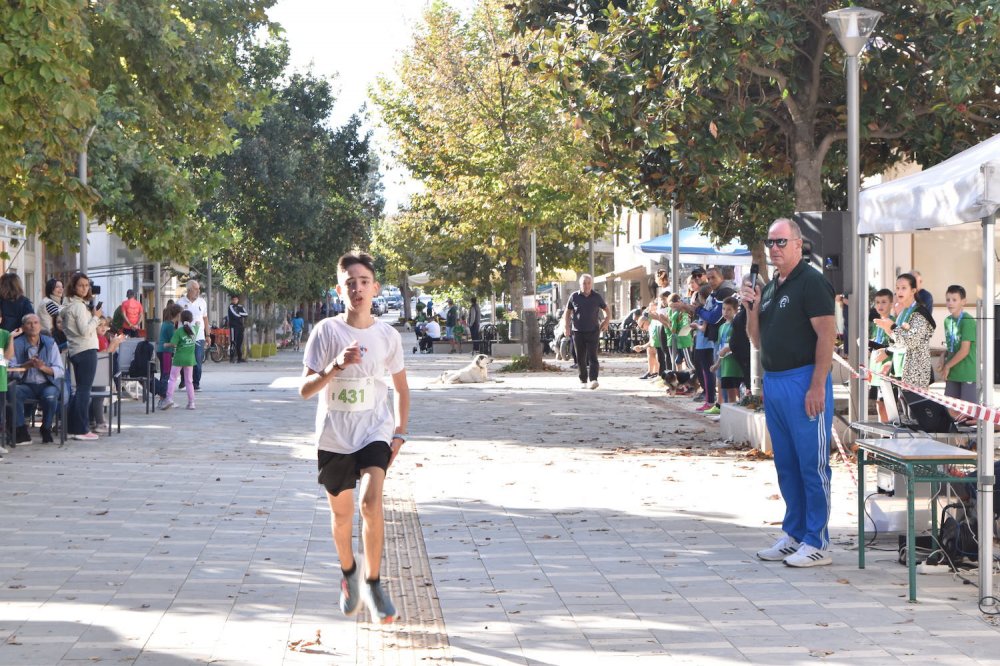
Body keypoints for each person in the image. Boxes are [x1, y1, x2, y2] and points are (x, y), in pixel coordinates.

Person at [298, 251, 410, 625]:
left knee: (371, 503)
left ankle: (375, 584)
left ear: (375, 288)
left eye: (364, 282)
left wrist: (399, 432)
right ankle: (349, 573)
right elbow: (305, 390)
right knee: (341, 515)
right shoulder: (326, 332)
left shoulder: (387, 335)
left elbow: (401, 388)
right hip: (334, 437)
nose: (358, 289)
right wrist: (336, 365)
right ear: (339, 289)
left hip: (374, 431)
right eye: (351, 283)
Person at [743, 218, 836, 568]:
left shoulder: (811, 282)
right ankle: (794, 533)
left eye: (781, 242)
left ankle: (818, 541)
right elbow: (757, 339)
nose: (775, 249)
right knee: (786, 464)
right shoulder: (771, 288)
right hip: (776, 381)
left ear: (799, 244)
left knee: (812, 464)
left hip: (803, 380)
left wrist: (817, 384)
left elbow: (827, 337)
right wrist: (751, 308)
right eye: (770, 242)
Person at [873, 273, 935, 392]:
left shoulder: (919, 313)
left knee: (915, 410)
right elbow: (898, 340)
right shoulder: (902, 313)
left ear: (913, 290)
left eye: (903, 288)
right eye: (897, 288)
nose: (899, 291)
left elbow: (911, 341)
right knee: (900, 410)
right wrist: (888, 332)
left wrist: (892, 326)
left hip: (916, 374)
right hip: (900, 371)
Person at [62, 272, 102, 441]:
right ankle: (81, 429)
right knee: (84, 391)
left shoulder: (71, 305)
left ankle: (73, 428)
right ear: (73, 287)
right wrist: (96, 318)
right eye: (81, 285)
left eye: (87, 285)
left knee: (80, 391)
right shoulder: (77, 306)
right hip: (85, 350)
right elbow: (84, 331)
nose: (85, 288)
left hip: (77, 350)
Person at [11, 314, 61, 444]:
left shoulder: (50, 343)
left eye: (36, 322)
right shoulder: (16, 344)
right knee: (13, 391)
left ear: (40, 325)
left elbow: (59, 370)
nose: (33, 326)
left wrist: (43, 367)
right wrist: (25, 366)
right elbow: (11, 368)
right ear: (23, 327)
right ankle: (21, 431)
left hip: (47, 384)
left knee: (50, 396)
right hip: (26, 384)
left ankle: (46, 428)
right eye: (29, 323)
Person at [562, 274, 610, 390]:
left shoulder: (597, 296)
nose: (587, 285)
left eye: (588, 283)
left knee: (593, 356)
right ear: (580, 285)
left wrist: (606, 321)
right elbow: (567, 312)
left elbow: (606, 309)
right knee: (580, 357)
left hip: (593, 330)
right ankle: (583, 379)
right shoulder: (574, 296)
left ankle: (593, 379)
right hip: (578, 331)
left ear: (591, 284)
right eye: (584, 283)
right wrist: (566, 327)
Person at [939, 285, 976, 410]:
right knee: (950, 411)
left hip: (967, 373)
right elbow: (951, 346)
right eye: (948, 300)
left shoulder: (968, 320)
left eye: (954, 300)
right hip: (953, 373)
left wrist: (947, 366)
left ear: (963, 302)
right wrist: (943, 356)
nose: (950, 303)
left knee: (967, 414)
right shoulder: (947, 321)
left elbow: (964, 350)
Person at [90, 317, 125, 432]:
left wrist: (115, 344)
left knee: (97, 397)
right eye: (100, 325)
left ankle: (92, 420)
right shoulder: (96, 339)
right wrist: (113, 344)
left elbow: (109, 353)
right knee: (98, 397)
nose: (103, 327)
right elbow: (102, 356)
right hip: (97, 372)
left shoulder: (102, 338)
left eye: (105, 325)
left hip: (100, 371)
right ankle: (100, 423)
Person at [161, 310, 198, 411]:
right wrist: (197, 323)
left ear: (181, 320)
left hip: (179, 359)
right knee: (189, 381)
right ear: (191, 319)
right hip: (190, 359)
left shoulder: (179, 331)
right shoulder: (195, 329)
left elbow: (173, 344)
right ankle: (191, 403)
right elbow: (197, 325)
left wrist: (165, 344)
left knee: (172, 378)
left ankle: (169, 399)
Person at [868, 288, 895, 422]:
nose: (880, 305)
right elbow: (877, 344)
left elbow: (895, 345)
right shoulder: (876, 323)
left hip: (887, 372)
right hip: (876, 372)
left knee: (888, 406)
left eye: (884, 302)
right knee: (879, 405)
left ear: (891, 303)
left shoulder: (893, 323)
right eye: (877, 302)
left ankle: (889, 437)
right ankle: (883, 435)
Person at [176, 280, 209, 391]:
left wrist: (208, 334)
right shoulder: (180, 302)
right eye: (195, 289)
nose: (198, 291)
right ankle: (183, 381)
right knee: (183, 360)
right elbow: (176, 319)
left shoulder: (202, 302)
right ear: (189, 290)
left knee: (198, 361)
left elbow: (205, 318)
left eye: (198, 289)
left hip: (199, 336)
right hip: (183, 337)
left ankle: (196, 383)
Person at [709, 297, 741, 409]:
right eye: (723, 309)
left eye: (729, 310)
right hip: (725, 367)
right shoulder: (721, 327)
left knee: (739, 393)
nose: (725, 312)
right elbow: (721, 348)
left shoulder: (737, 325)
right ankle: (730, 415)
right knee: (729, 394)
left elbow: (737, 343)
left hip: (736, 365)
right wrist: (717, 364)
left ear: (735, 311)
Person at [157, 304, 180, 399]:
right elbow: (173, 341)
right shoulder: (170, 326)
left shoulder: (166, 323)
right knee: (166, 374)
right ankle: (163, 395)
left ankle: (162, 394)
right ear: (177, 314)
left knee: (163, 373)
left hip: (161, 350)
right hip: (166, 352)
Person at [227, 295, 248, 362]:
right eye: (234, 299)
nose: (235, 301)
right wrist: (240, 314)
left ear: (238, 300)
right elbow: (235, 315)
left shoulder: (240, 306)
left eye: (236, 299)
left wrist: (239, 313)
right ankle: (232, 357)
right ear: (232, 300)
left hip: (240, 327)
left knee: (239, 342)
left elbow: (246, 314)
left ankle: (239, 357)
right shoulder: (231, 307)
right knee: (233, 341)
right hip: (233, 327)